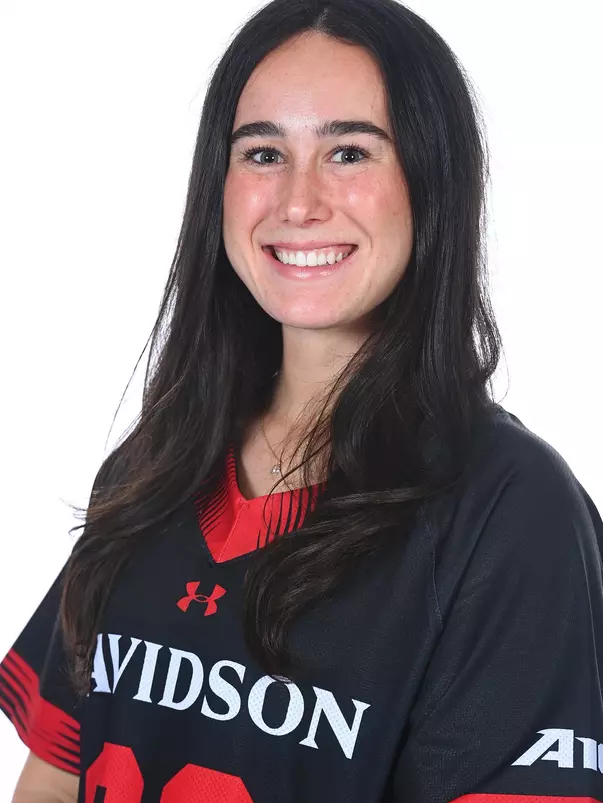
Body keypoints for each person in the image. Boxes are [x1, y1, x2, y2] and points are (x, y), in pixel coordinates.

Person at [2, 0, 602, 800]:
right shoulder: (155, 468)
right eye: (261, 153)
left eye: (348, 151)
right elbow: (51, 781)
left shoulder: (509, 511)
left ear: (432, 180)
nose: (297, 201)